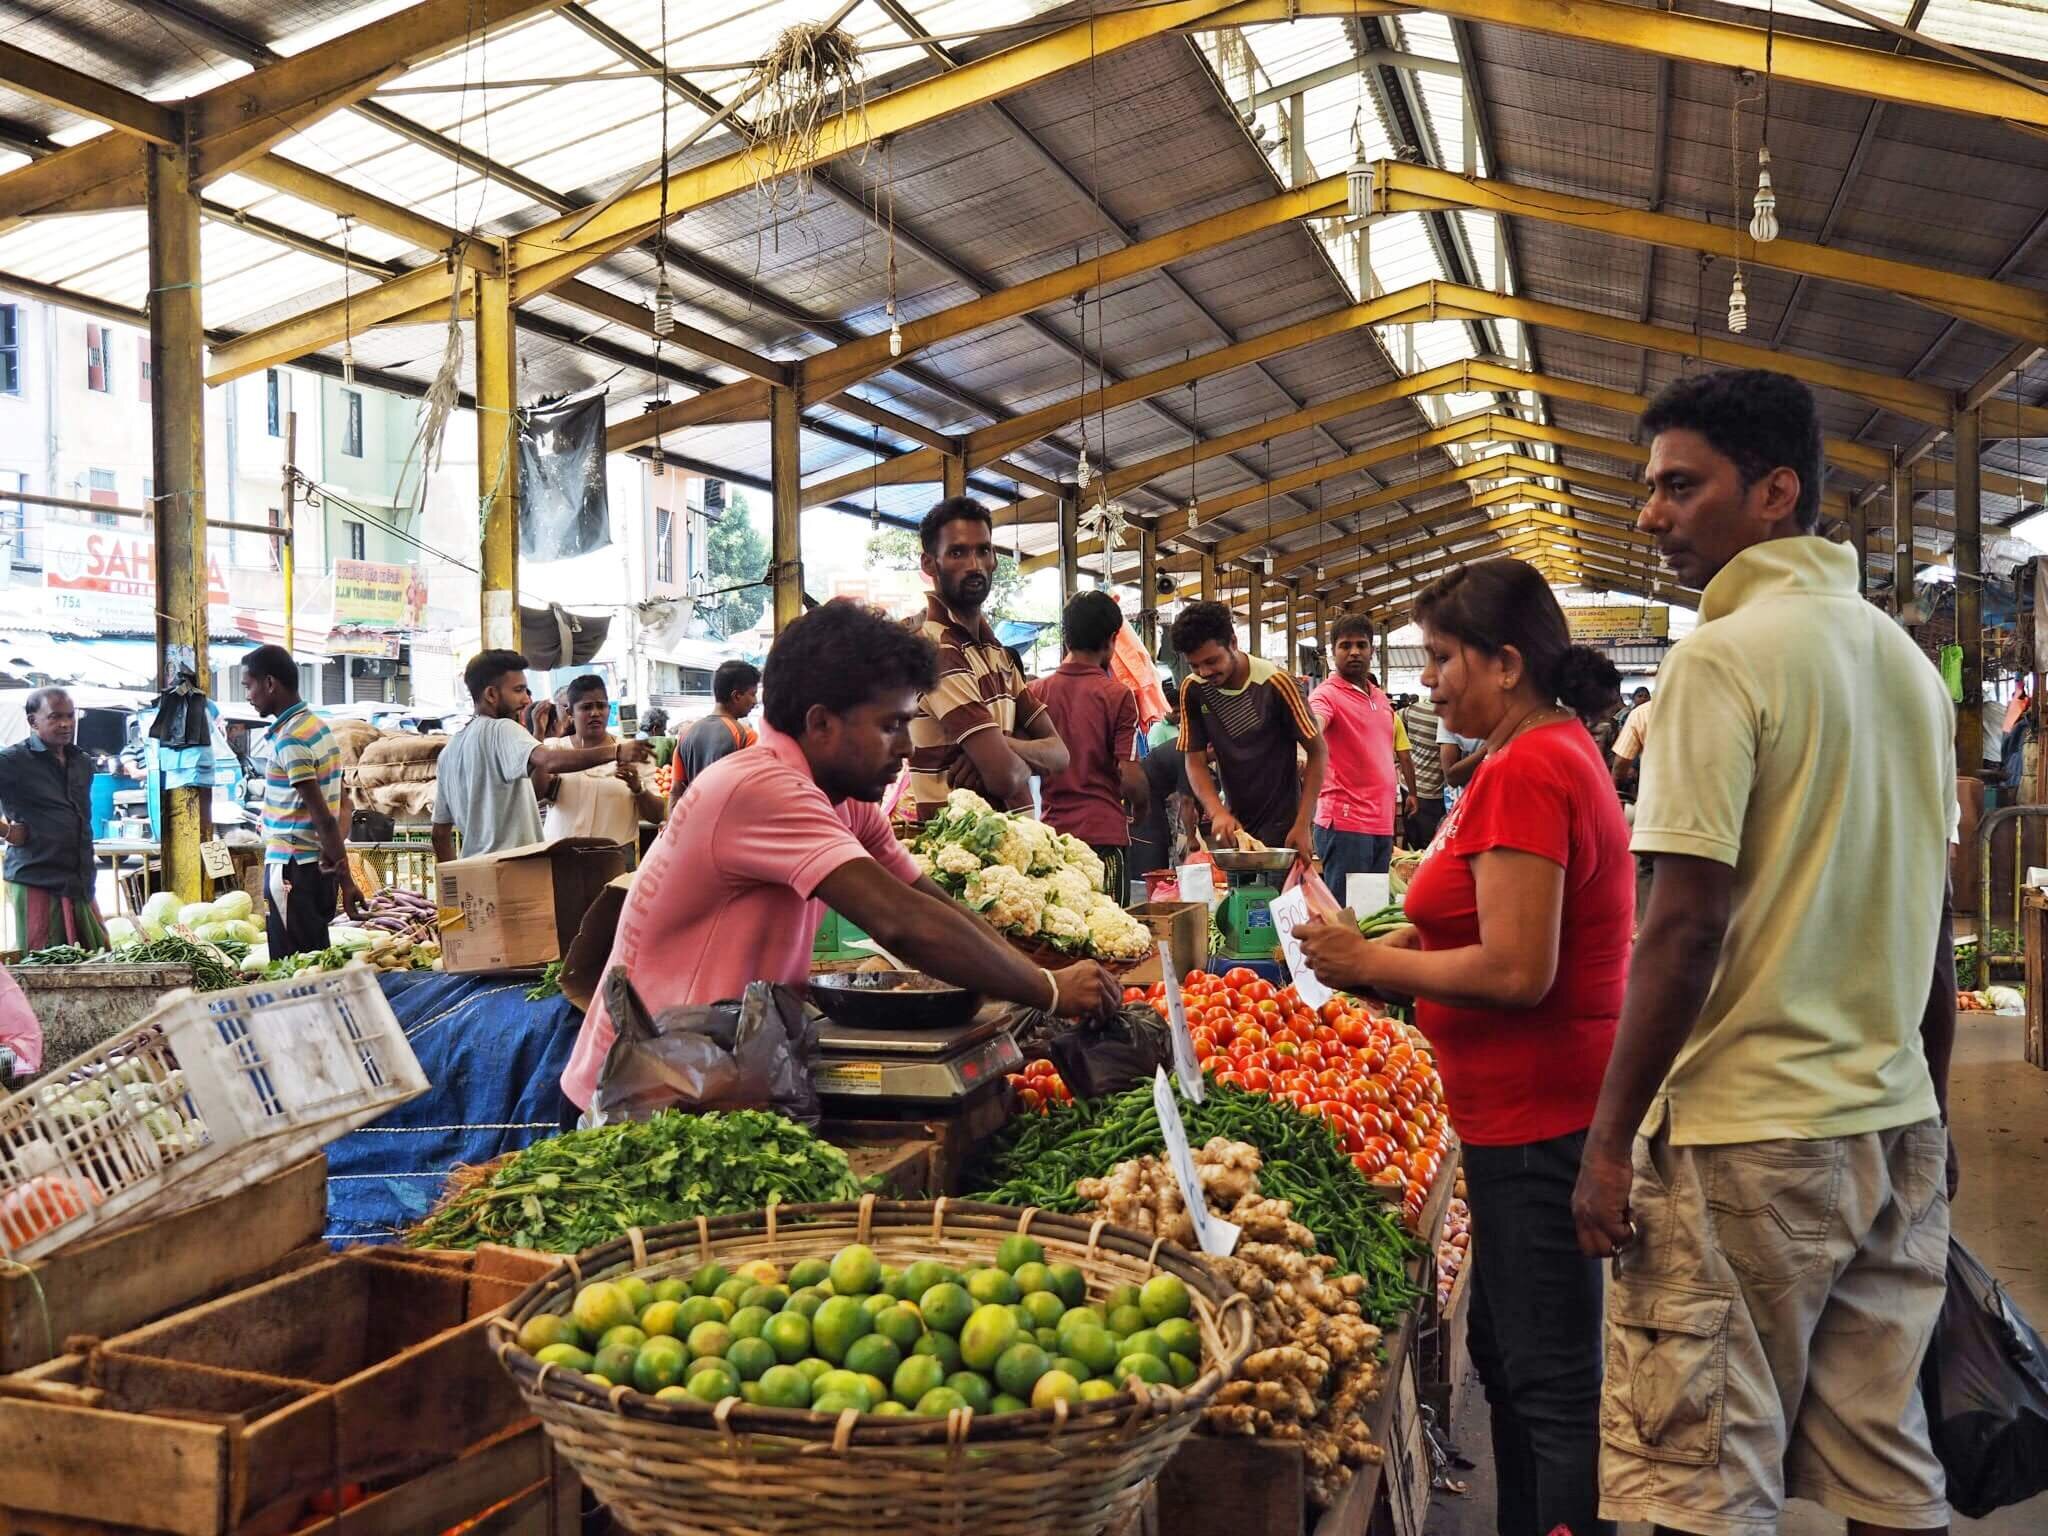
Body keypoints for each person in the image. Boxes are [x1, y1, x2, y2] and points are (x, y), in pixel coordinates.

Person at [1571, 370, 1958, 1536]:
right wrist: (1927, 1111)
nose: (1650, 516)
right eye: (1650, 489)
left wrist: (1605, 1143)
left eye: (1679, 487)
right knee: (1885, 1469)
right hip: (1884, 1128)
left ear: (1774, 492)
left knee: (1704, 1482)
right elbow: (1932, 920)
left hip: (1743, 1144)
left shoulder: (1718, 659)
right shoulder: (1898, 661)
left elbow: (1685, 922)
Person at [1295, 559, 1632, 1536]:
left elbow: (1517, 970)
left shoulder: (1529, 768)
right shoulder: (1537, 752)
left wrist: (1374, 960)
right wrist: (1377, 957)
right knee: (1512, 1356)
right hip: (1524, 1112)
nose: (1429, 681)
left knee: (1550, 1381)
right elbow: (1471, 930)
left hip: (1536, 1116)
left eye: (1443, 659)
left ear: (1507, 662)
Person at [560, 600, 1121, 1113]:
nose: (905, 748)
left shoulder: (842, 799)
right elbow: (901, 924)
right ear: (821, 723)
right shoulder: (760, 786)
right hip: (644, 1089)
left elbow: (928, 901)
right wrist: (1048, 990)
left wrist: (1040, 975)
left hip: (714, 1072)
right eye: (891, 726)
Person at [905, 497, 1068, 819]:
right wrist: (1015, 757)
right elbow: (1004, 777)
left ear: (994, 558)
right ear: (928, 564)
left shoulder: (997, 652)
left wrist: (1004, 746)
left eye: (983, 550)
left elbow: (1061, 755)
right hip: (955, 851)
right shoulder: (935, 648)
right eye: (957, 552)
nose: (974, 565)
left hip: (1010, 848)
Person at [432, 651, 650, 863]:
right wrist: (617, 751)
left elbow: (440, 835)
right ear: (491, 694)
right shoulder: (503, 729)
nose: (526, 700)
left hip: (473, 876)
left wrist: (454, 883)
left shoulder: (449, 752)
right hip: (514, 872)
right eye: (518, 690)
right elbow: (549, 760)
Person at [1170, 600, 1324, 863]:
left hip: (1284, 828)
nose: (1204, 672)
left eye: (1211, 661)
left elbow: (1318, 752)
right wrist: (1216, 811)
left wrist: (1303, 824)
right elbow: (1194, 760)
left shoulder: (1276, 683)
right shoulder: (1192, 689)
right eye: (1195, 665)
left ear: (1233, 642)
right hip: (1234, 827)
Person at [240, 645, 366, 956]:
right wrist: (337, 865)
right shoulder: (318, 728)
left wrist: (347, 879)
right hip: (317, 869)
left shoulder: (291, 739)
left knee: (292, 969)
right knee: (316, 962)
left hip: (292, 868)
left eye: (248, 685)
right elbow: (344, 804)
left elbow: (322, 814)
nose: (248, 695)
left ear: (270, 683)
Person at [1029, 591, 1148, 897]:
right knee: (1113, 935)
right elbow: (1130, 776)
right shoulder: (1118, 695)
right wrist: (1142, 807)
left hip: (1054, 838)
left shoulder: (1035, 692)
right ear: (1111, 639)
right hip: (1104, 835)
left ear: (1066, 637)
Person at [1309, 613, 1416, 892]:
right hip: (1345, 823)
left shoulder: (1380, 698)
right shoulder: (1326, 695)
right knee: (1347, 916)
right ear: (1333, 653)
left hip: (1381, 823)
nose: (1354, 652)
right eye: (1345, 646)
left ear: (1372, 650)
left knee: (1370, 915)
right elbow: (1313, 725)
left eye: (1361, 645)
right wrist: (1305, 741)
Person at [0, 688, 107, 951]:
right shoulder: (12, 760)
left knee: (98, 958)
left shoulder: (81, 760)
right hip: (37, 877)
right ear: (32, 721)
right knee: (45, 964)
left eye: (71, 716)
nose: (66, 724)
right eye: (55, 717)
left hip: (80, 880)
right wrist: (6, 831)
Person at [541, 674, 668, 838]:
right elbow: (539, 788)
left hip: (613, 858)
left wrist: (638, 787)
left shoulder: (634, 752)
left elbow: (657, 816)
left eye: (601, 706)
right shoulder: (555, 749)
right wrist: (537, 733)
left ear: (609, 709)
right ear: (570, 712)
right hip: (560, 857)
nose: (595, 713)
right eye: (586, 707)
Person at [672, 661, 759, 808]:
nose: (755, 701)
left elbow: (676, 791)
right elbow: (754, 793)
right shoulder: (747, 736)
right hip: (730, 826)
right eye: (753, 694)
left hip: (695, 824)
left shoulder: (686, 735)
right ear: (736, 696)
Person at [1404, 694, 1447, 849]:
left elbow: (1393, 717)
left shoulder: (1413, 710)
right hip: (1431, 790)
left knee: (1411, 839)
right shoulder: (1446, 717)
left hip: (1408, 785)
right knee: (1428, 844)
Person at [1609, 690, 1654, 798]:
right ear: (1634, 699)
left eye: (1646, 696)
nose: (1643, 698)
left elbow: (1621, 761)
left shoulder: (1641, 714)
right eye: (1640, 696)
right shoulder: (1628, 715)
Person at [1147, 678, 1181, 751]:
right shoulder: (1158, 729)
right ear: (1166, 708)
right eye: (1175, 712)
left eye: (1181, 711)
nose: (1179, 715)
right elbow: (1157, 756)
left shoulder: (1182, 726)